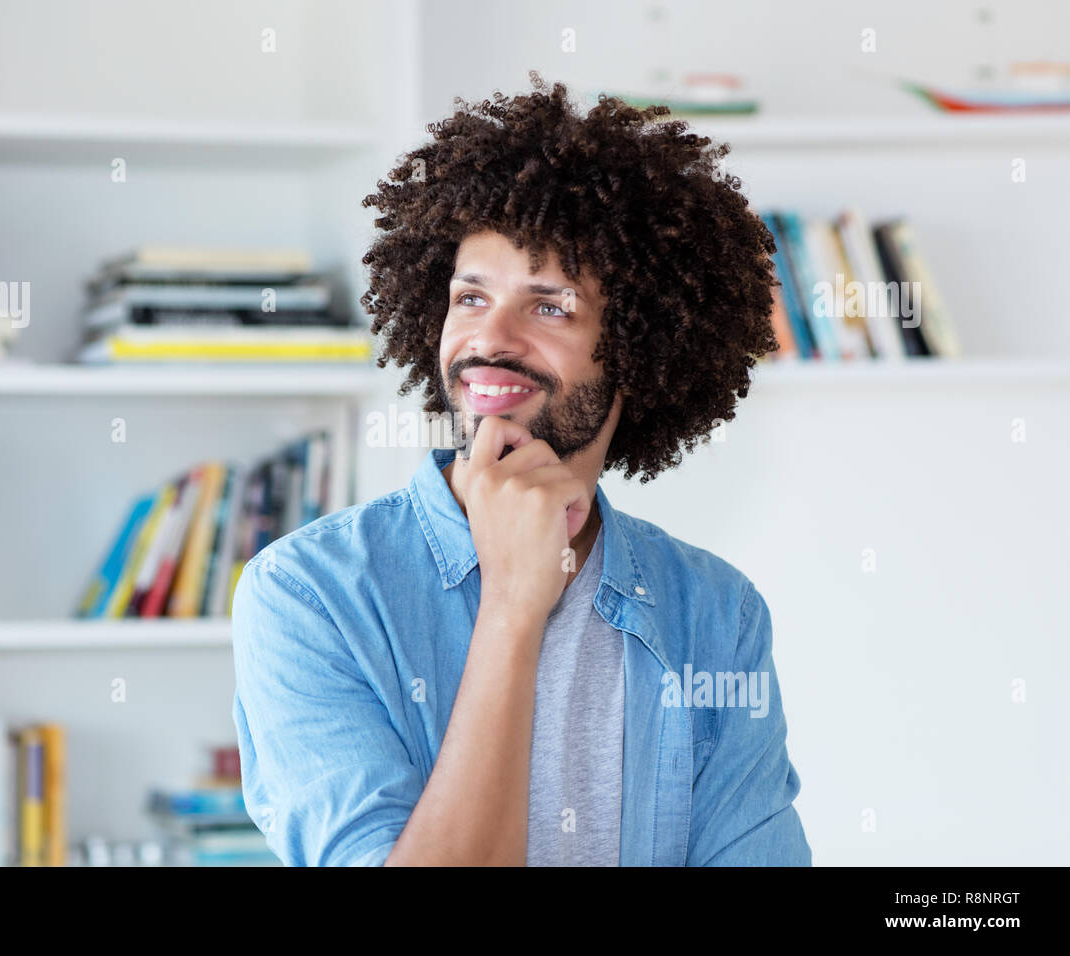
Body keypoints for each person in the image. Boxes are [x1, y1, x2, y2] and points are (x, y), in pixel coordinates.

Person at [231, 73, 811, 866]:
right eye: (470, 298)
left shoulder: (715, 614)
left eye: (549, 306)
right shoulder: (309, 595)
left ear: (641, 346)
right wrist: (511, 602)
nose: (489, 338)